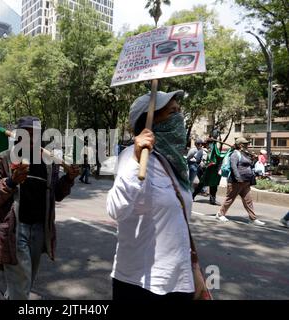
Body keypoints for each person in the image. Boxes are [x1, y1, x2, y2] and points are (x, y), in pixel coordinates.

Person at [107, 90, 196, 301]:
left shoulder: (172, 162)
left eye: (179, 110)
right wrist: (137, 160)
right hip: (140, 283)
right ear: (149, 122)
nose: (179, 117)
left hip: (179, 282)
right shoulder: (132, 157)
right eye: (171, 111)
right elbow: (115, 209)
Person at [0, 116, 80, 299]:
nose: (31, 139)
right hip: (15, 231)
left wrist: (68, 178)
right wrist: (12, 181)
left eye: (35, 134)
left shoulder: (48, 163)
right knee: (21, 285)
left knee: (25, 282)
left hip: (39, 230)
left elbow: (57, 195)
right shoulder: (3, 160)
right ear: (18, 136)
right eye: (26, 134)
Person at [216, 137, 266, 226]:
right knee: (230, 199)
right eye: (245, 144)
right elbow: (234, 167)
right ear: (240, 145)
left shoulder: (245, 154)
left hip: (246, 182)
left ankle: (253, 219)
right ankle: (220, 214)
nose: (247, 145)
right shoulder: (235, 154)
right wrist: (238, 178)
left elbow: (249, 165)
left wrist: (253, 159)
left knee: (248, 201)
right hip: (236, 182)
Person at [192, 138, 222, 205]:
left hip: (213, 170)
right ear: (206, 144)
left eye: (212, 143)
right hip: (204, 170)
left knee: (213, 185)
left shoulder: (215, 151)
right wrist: (204, 164)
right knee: (201, 184)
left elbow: (219, 159)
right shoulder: (202, 151)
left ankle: (212, 200)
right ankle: (192, 196)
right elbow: (197, 160)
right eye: (209, 143)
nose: (210, 145)